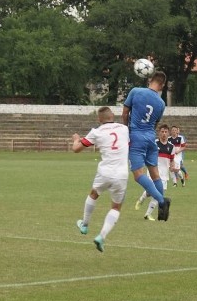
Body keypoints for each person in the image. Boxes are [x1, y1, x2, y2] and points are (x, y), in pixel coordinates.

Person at [73, 106, 131, 252]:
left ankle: (85, 224)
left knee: (94, 193)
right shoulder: (124, 129)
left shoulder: (96, 132)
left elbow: (76, 149)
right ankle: (102, 236)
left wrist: (75, 139)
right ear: (112, 115)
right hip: (122, 174)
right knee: (116, 207)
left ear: (99, 119)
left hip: (105, 171)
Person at [122, 71, 171, 221]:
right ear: (162, 85)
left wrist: (127, 129)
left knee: (138, 175)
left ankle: (162, 201)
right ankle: (161, 211)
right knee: (155, 175)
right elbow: (155, 123)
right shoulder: (161, 103)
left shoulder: (136, 91)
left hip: (137, 137)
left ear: (150, 79)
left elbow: (125, 114)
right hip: (151, 138)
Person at [134, 124, 176, 220]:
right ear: (159, 133)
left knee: (159, 194)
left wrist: (172, 167)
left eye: (166, 132)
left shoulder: (171, 147)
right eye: (162, 131)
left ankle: (147, 214)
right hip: (153, 172)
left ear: (168, 133)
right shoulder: (154, 143)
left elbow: (172, 160)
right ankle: (142, 199)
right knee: (151, 192)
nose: (164, 134)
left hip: (164, 175)